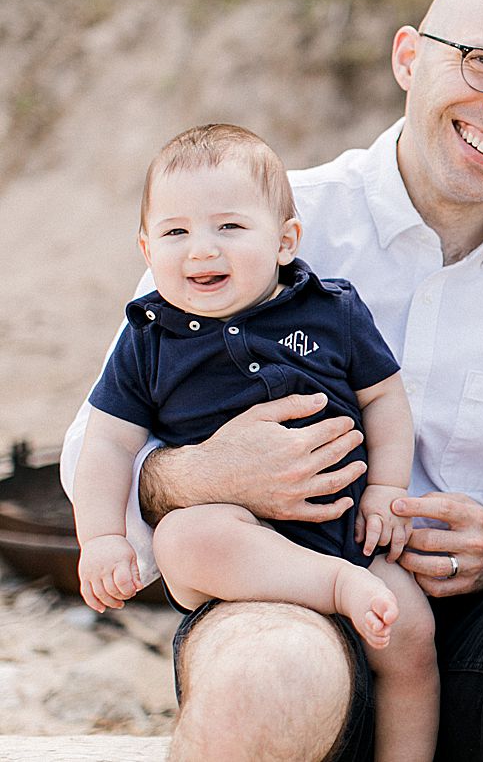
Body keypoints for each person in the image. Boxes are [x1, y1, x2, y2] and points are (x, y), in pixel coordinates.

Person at [62, 0, 483, 762]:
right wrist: (206, 474)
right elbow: (90, 455)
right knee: (261, 670)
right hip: (291, 587)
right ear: (408, 58)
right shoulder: (239, 222)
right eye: (482, 63)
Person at [71, 123, 437, 762]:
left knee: (411, 636)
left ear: (285, 240)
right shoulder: (150, 339)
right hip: (232, 548)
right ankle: (328, 588)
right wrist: (101, 536)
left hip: (344, 535)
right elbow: (105, 444)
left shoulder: (330, 311)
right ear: (145, 247)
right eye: (175, 231)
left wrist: (385, 488)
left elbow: (385, 399)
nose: (201, 250)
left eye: (230, 228)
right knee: (184, 538)